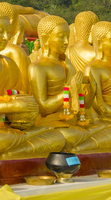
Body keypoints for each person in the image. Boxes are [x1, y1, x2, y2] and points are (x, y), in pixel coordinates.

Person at [0, 7, 65, 158]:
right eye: (0, 31)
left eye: (8, 31)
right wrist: (10, 106)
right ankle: (11, 151)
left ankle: (11, 152)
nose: (6, 37)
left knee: (56, 137)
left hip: (8, 125)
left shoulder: (10, 63)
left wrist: (25, 112)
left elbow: (19, 95)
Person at [29, 15, 110, 153]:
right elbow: (43, 108)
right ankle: (80, 146)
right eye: (61, 36)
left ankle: (81, 145)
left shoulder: (67, 64)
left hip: (72, 120)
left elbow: (84, 103)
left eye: (68, 36)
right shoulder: (38, 67)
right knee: (69, 136)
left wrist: (89, 88)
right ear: (46, 38)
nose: (66, 41)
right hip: (50, 121)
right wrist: (69, 88)